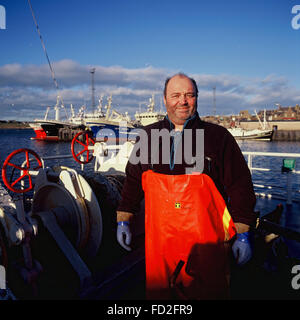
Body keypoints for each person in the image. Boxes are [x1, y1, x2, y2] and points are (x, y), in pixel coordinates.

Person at [116, 73, 257, 299]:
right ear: (164, 99)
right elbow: (132, 181)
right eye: (176, 95)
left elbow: (240, 186)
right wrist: (124, 219)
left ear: (196, 99)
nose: (183, 101)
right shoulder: (147, 136)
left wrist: (243, 233)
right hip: (159, 248)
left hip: (207, 247)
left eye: (189, 95)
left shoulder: (218, 137)